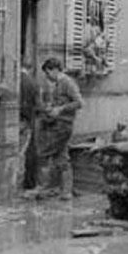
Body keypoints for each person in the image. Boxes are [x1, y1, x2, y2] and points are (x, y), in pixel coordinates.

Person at [34, 57, 83, 200]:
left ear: (54, 69)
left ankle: (42, 189)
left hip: (62, 126)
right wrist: (52, 108)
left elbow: (79, 102)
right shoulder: (58, 83)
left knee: (42, 153)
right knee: (62, 157)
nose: (47, 77)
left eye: (48, 73)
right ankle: (66, 192)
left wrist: (60, 109)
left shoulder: (67, 82)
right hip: (60, 125)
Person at [18, 62, 40, 191]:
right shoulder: (33, 83)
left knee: (17, 152)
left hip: (16, 120)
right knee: (23, 153)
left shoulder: (15, 80)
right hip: (27, 121)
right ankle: (23, 184)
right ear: (30, 68)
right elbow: (38, 105)